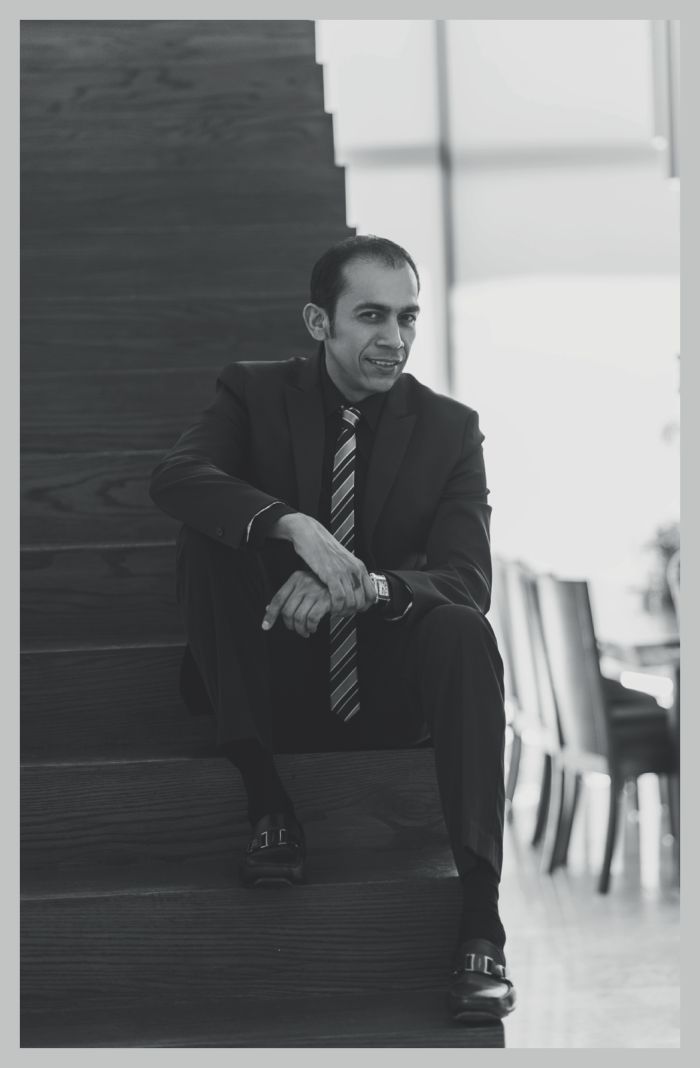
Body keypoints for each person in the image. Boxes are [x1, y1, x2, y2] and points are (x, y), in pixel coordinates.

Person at [149, 235, 515, 1024]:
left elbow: (468, 578)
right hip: (270, 681)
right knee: (208, 539)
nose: (395, 339)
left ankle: (482, 921)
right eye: (372, 316)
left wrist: (360, 584)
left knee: (462, 629)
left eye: (408, 317)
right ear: (320, 322)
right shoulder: (253, 393)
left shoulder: (450, 429)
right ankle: (268, 804)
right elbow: (178, 477)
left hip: (385, 691)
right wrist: (292, 528)